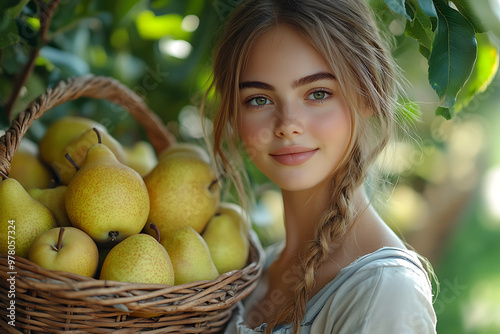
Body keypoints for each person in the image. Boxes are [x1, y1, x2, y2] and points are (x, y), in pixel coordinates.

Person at [201, 0, 438, 333]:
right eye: (259, 99)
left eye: (318, 93)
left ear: (368, 94)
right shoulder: (250, 271)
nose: (287, 124)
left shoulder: (384, 293)